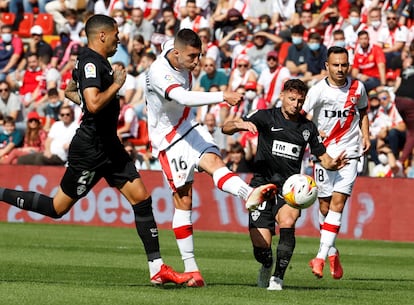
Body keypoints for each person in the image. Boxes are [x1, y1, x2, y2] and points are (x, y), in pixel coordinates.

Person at [0, 15, 192, 286]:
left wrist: (75, 94)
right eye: (115, 34)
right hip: (90, 149)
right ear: (102, 35)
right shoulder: (92, 61)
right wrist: (116, 84)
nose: (119, 39)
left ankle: (157, 268)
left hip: (109, 145)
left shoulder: (91, 60)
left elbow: (83, 96)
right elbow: (92, 104)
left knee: (142, 199)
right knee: (57, 208)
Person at [145, 28, 277, 287]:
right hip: (167, 140)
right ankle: (192, 268)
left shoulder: (176, 51)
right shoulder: (158, 72)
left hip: (188, 126)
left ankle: (247, 193)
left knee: (216, 162)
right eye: (193, 57)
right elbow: (182, 96)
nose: (197, 62)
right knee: (184, 200)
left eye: (200, 55)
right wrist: (221, 96)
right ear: (175, 53)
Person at [222, 79, 348, 290]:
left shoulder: (307, 127)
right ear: (282, 96)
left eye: (300, 101)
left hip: (290, 188)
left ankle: (277, 278)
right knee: (262, 248)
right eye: (292, 99)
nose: (296, 104)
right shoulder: (265, 115)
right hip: (261, 186)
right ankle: (267, 265)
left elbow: (323, 158)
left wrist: (333, 164)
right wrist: (238, 124)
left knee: (288, 221)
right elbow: (225, 128)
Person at [302, 46, 370, 279]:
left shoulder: (357, 87)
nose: (340, 69)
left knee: (338, 204)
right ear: (327, 66)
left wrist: (366, 135)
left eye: (344, 65)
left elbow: (363, 112)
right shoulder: (318, 91)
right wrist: (314, 131)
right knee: (324, 207)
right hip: (323, 154)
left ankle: (319, 257)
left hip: (350, 151)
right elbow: (301, 117)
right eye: (336, 65)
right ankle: (332, 252)